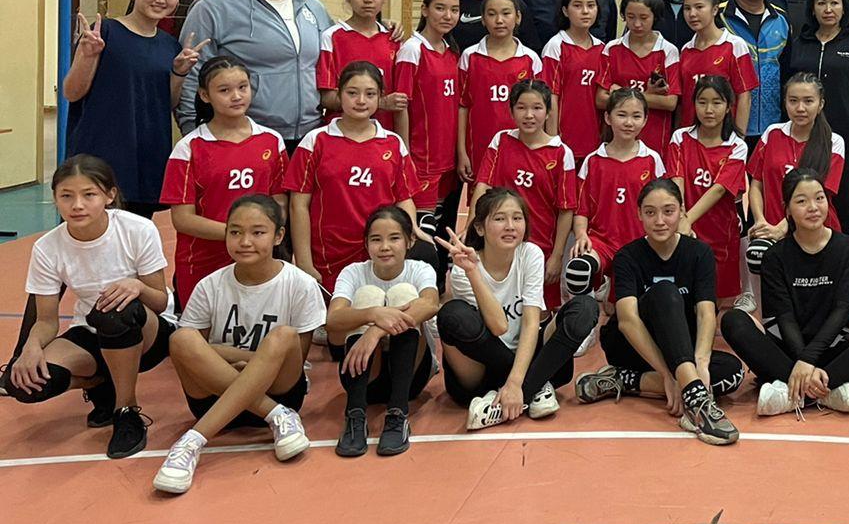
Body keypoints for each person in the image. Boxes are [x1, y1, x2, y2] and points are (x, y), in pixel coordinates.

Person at [152, 195, 321, 495]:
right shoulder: (210, 285)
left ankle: (192, 441)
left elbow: (296, 355)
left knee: (284, 336)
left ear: (279, 235)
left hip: (280, 391)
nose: (245, 241)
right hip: (215, 395)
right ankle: (276, 415)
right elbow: (193, 351)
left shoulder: (300, 284)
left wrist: (245, 362)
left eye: (258, 232)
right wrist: (257, 361)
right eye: (235, 232)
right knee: (181, 338)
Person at [7, 156, 172, 459]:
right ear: (55, 199)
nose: (77, 205)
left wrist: (136, 287)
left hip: (148, 332)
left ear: (109, 196)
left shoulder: (137, 229)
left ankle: (126, 411)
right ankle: (101, 383)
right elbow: (46, 320)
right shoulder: (47, 247)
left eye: (89, 195)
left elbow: (160, 302)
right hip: (93, 327)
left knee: (112, 311)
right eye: (66, 196)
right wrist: (30, 347)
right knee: (24, 383)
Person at [574, 180, 745, 445]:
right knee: (665, 291)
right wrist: (667, 373)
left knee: (732, 373)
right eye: (650, 212)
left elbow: (706, 313)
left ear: (682, 211)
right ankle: (697, 401)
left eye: (668, 211)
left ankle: (625, 380)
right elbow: (628, 321)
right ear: (639, 214)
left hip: (679, 349)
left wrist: (700, 362)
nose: (660, 221)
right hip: (631, 347)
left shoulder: (699, 253)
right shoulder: (627, 257)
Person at [722, 168, 849, 416]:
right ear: (787, 210)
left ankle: (792, 391)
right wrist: (802, 359)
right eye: (802, 201)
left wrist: (807, 360)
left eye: (819, 198)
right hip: (787, 351)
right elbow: (784, 316)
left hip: (834, 349)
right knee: (733, 321)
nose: (813, 207)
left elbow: (842, 311)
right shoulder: (775, 256)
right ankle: (828, 390)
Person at [435, 189, 599, 430]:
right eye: (500, 218)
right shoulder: (463, 268)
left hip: (526, 358)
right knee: (452, 314)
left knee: (585, 307)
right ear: (479, 228)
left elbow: (532, 322)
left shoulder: (530, 254)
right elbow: (499, 326)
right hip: (483, 369)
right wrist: (472, 271)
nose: (510, 226)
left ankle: (511, 399)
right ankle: (536, 387)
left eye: (517, 218)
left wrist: (515, 383)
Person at [64, 0, 204, 215]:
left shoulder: (170, 45)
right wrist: (87, 55)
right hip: (101, 156)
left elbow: (165, 103)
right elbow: (72, 92)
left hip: (147, 158)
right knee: (92, 233)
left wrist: (179, 72)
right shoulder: (104, 32)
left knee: (137, 234)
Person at [178, 0, 333, 149]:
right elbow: (192, 73)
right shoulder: (216, 6)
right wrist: (192, 131)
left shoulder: (313, 7)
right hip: (244, 137)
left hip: (309, 137)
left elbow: (335, 60)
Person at [286, 61, 422, 293]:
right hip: (328, 255)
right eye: (352, 93)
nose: (361, 101)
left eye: (370, 94)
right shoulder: (315, 141)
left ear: (380, 97)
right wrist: (305, 262)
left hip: (379, 253)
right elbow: (298, 205)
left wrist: (412, 231)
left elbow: (404, 198)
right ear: (339, 95)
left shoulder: (393, 143)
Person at [163, 56, 288, 306]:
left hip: (258, 260)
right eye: (224, 90)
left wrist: (255, 238)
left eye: (243, 87)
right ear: (205, 95)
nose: (236, 96)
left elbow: (280, 203)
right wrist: (239, 234)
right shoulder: (189, 147)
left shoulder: (272, 141)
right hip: (203, 263)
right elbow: (182, 219)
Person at [327, 205, 440, 458]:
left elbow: (431, 304)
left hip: (410, 378)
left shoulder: (420, 269)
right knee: (368, 295)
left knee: (404, 293)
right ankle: (355, 415)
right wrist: (372, 313)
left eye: (394, 238)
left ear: (410, 241)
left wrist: (376, 330)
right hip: (365, 378)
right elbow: (332, 319)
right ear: (366, 244)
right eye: (376, 239)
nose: (385, 247)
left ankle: (398, 414)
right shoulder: (354, 272)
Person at [782, 0, 849, 237]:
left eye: (834, 3)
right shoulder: (800, 43)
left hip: (846, 135)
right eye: (821, 3)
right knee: (803, 197)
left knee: (841, 200)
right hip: (803, 134)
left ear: (844, 8)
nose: (828, 9)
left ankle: (842, 251)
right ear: (812, 9)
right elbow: (786, 87)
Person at [472, 79, 577, 308]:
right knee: (496, 306)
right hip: (500, 245)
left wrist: (557, 256)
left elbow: (566, 209)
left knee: (539, 311)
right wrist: (471, 231)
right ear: (511, 111)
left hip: (541, 247)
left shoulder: (561, 153)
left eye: (537, 108)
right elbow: (482, 185)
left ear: (548, 112)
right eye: (521, 107)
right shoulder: (501, 141)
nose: (529, 115)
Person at [567, 89, 666, 303]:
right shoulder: (593, 161)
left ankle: (611, 293)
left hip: (640, 244)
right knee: (579, 269)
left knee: (619, 308)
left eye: (636, 116)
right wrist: (581, 235)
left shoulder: (652, 160)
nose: (628, 122)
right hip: (601, 243)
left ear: (645, 120)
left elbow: (663, 205)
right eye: (621, 115)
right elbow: (582, 210)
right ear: (607, 117)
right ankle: (588, 315)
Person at [668, 75, 751, 311]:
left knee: (718, 303)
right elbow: (676, 178)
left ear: (729, 106)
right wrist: (681, 217)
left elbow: (719, 189)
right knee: (685, 296)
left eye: (717, 102)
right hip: (683, 227)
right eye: (702, 102)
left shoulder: (737, 146)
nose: (709, 110)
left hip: (720, 231)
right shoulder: (680, 137)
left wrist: (687, 219)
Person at [457, 0, 544, 190]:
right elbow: (463, 106)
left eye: (506, 13)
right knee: (482, 200)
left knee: (517, 200)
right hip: (479, 146)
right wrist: (462, 152)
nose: (499, 20)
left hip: (521, 146)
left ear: (518, 17)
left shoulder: (531, 59)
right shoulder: (470, 56)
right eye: (491, 14)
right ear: (483, 19)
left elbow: (541, 107)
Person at [394, 0, 462, 231]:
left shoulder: (452, 52)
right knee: (422, 231)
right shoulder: (412, 49)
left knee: (442, 226)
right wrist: (405, 154)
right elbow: (401, 105)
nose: (448, 16)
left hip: (447, 158)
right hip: (421, 158)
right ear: (424, 10)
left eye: (454, 10)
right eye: (440, 8)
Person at [748, 73, 847, 243]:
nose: (800, 108)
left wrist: (781, 228)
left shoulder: (834, 142)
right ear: (785, 102)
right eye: (793, 101)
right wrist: (760, 222)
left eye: (808, 101)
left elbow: (821, 196)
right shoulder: (772, 133)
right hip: (771, 233)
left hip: (815, 235)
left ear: (820, 104)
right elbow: (756, 185)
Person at [317, 0, 404, 129]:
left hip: (383, 134)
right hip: (342, 134)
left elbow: (401, 101)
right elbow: (326, 98)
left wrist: (402, 141)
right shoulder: (332, 37)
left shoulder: (394, 39)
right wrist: (380, 103)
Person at [601, 0, 680, 157]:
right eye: (631, 17)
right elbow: (600, 99)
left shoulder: (669, 51)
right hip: (617, 142)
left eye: (644, 17)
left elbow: (670, 103)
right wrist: (650, 96)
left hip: (655, 140)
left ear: (655, 16)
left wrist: (621, 93)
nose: (637, 24)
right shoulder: (611, 49)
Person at [724, 0, 790, 150]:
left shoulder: (782, 20)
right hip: (727, 124)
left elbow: (788, 72)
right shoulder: (719, 18)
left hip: (773, 126)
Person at [676, 0, 757, 135]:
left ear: (714, 9)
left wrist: (739, 138)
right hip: (690, 135)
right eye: (687, 8)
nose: (692, 14)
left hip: (723, 136)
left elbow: (744, 96)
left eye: (699, 7)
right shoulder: (685, 50)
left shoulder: (735, 45)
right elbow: (682, 101)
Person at [541, 0, 607, 163]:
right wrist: (552, 140)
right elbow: (550, 95)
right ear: (565, 11)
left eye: (591, 6)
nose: (585, 11)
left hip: (594, 140)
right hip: (564, 139)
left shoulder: (602, 49)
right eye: (577, 6)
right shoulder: (556, 46)